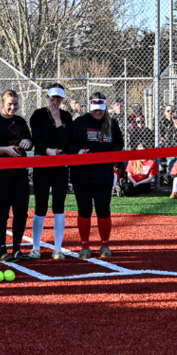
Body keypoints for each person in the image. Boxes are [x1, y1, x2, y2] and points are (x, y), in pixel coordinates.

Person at [0, 90, 36, 262]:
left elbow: (28, 140)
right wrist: (5, 150)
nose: (13, 107)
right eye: (9, 104)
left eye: (15, 104)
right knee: (3, 211)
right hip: (0, 173)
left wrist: (29, 142)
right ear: (2, 104)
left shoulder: (20, 121)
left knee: (21, 212)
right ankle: (3, 250)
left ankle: (17, 249)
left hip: (20, 172)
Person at [69, 92, 124, 259]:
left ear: (105, 108)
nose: (98, 112)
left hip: (103, 175)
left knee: (103, 210)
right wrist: (77, 151)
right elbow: (69, 143)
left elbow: (118, 145)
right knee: (84, 210)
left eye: (101, 109)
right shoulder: (80, 122)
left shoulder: (112, 123)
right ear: (90, 108)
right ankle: (84, 246)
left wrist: (111, 155)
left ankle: (104, 244)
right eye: (95, 109)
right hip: (82, 175)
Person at [30, 83, 74, 260]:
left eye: (58, 98)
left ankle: (58, 248)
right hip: (42, 163)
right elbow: (36, 138)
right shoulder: (38, 115)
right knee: (40, 205)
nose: (55, 101)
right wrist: (46, 150)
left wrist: (57, 120)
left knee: (59, 206)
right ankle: (35, 247)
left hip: (60, 165)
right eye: (53, 97)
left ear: (62, 99)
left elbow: (66, 141)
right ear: (48, 97)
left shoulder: (66, 116)